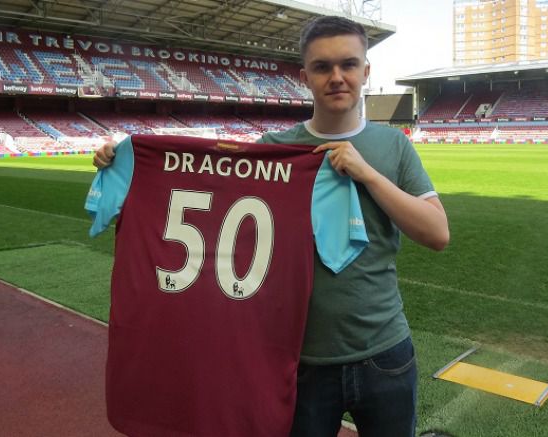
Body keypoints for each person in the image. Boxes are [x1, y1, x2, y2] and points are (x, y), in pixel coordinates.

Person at [93, 15, 450, 437]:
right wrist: (131, 180)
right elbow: (208, 219)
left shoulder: (393, 146)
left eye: (349, 64)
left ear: (366, 72)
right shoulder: (270, 153)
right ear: (304, 77)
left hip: (383, 352)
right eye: (322, 67)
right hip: (298, 361)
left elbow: (437, 233)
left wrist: (367, 173)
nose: (337, 77)